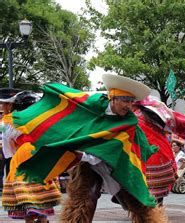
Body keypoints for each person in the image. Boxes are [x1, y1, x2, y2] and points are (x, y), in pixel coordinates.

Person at [4, 74, 167, 223]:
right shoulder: (91, 106)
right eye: (125, 100)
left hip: (119, 165)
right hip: (87, 162)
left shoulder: (129, 124)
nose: (129, 106)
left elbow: (119, 149)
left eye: (132, 102)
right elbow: (70, 111)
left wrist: (82, 154)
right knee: (82, 198)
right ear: (113, 97)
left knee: (138, 202)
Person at [2, 90, 60, 223]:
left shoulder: (8, 122)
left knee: (27, 202)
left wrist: (12, 156)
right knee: (42, 203)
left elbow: (9, 146)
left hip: (22, 158)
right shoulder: (46, 121)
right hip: (42, 155)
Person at [133, 96, 178, 206]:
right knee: (158, 186)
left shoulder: (134, 117)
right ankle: (158, 208)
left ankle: (149, 210)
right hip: (161, 151)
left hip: (147, 153)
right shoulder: (154, 115)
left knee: (146, 185)